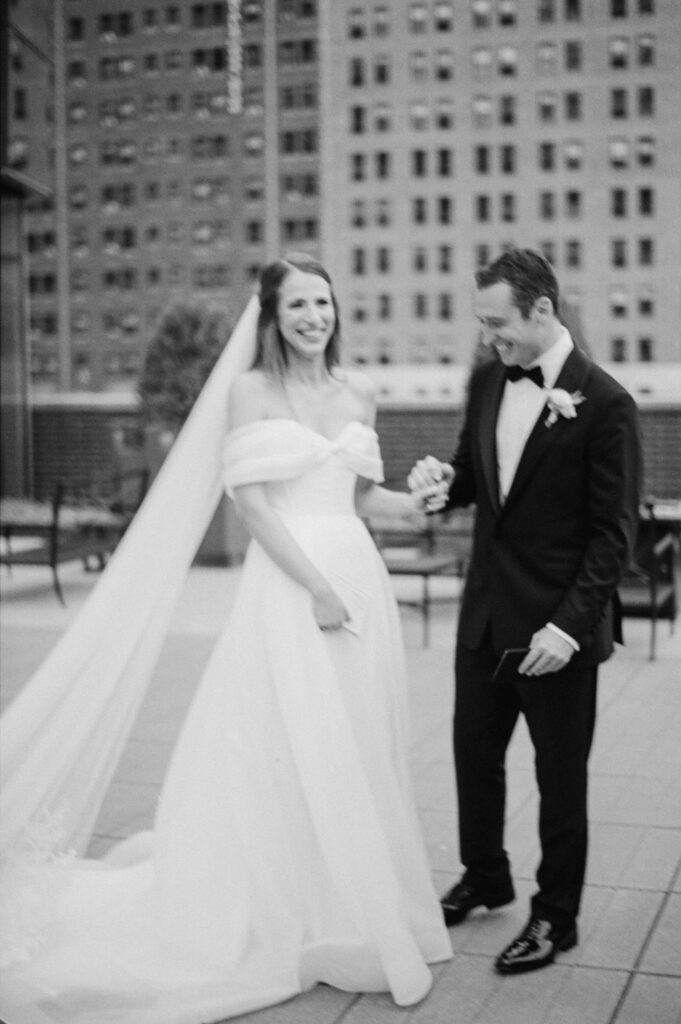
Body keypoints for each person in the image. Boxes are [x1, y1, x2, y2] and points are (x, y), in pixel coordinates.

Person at [0, 255, 451, 1023]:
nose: (315, 317)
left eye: (324, 303)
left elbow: (363, 498)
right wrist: (314, 587)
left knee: (355, 740)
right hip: (292, 586)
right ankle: (274, 911)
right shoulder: (251, 391)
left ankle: (344, 907)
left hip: (356, 581)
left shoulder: (358, 393)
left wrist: (419, 502)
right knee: (282, 737)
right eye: (300, 305)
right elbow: (253, 505)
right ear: (272, 316)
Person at [408, 249, 641, 974]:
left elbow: (613, 537)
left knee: (557, 777)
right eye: (481, 325)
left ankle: (555, 915)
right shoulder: (486, 381)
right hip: (483, 619)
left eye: (497, 323)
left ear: (542, 310)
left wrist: (567, 628)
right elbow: (475, 478)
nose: (487, 339)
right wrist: (439, 483)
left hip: (553, 635)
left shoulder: (605, 404)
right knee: (472, 758)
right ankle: (485, 874)